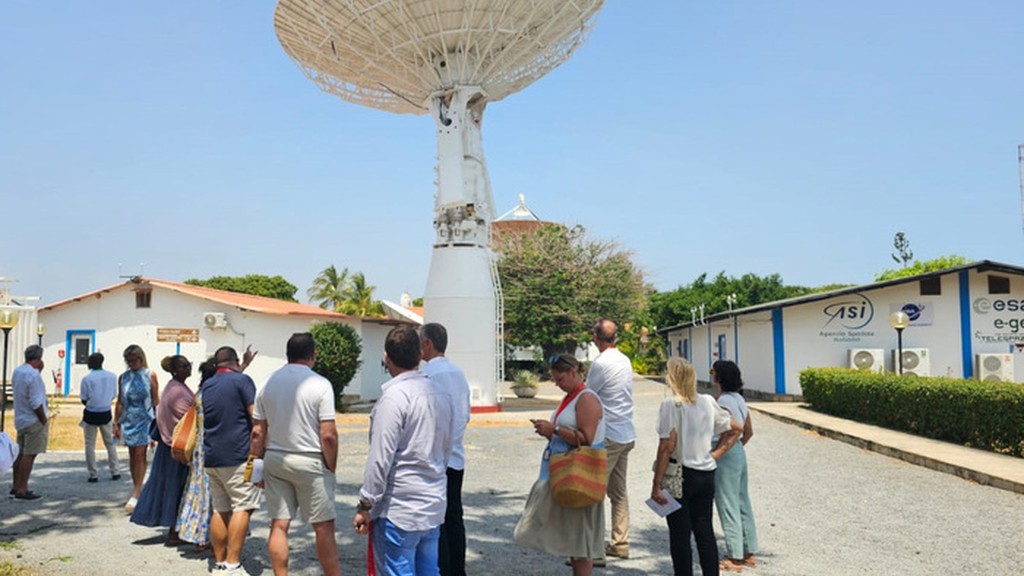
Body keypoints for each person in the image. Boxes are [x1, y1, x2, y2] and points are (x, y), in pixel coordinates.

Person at [353, 325, 454, 576]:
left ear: (386, 358)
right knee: (429, 571)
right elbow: (446, 449)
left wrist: (366, 504)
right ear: (420, 354)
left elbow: (380, 459)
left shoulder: (393, 399)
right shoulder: (442, 394)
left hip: (399, 510)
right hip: (432, 505)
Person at [250, 333, 340, 576]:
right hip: (310, 459)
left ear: (287, 355)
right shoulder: (321, 384)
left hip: (275, 458)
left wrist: (254, 468)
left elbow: (257, 432)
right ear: (314, 355)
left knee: (279, 524)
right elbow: (328, 434)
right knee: (323, 527)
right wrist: (331, 465)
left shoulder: (267, 383)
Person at [514, 354, 606, 576]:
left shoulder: (586, 398)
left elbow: (587, 438)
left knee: (580, 543)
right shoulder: (572, 397)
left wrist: (554, 429)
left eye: (560, 379)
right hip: (564, 473)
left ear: (573, 372)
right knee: (574, 542)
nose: (557, 384)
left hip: (579, 476)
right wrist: (550, 432)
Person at [651, 358, 741, 576]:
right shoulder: (707, 401)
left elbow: (666, 446)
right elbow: (735, 428)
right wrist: (716, 454)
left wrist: (657, 483)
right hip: (706, 472)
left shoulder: (671, 404)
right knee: (705, 531)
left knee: (680, 535)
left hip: (681, 474)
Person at [419, 323, 471, 576]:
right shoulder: (459, 374)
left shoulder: (427, 375)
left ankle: (443, 570)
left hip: (435, 459)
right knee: (454, 518)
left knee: (436, 522)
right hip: (456, 456)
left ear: (427, 344)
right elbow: (465, 414)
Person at [202, 346, 260, 573]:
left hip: (212, 456)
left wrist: (243, 365)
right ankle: (233, 563)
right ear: (235, 361)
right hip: (238, 454)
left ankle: (220, 562)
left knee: (220, 508)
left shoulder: (208, 385)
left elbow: (229, 382)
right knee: (243, 506)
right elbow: (254, 415)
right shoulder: (243, 381)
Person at [130, 355, 195, 545]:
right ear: (174, 370)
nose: (188, 368)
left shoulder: (176, 387)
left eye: (189, 364)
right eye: (184, 365)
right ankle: (174, 531)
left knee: (170, 486)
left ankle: (175, 529)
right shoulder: (177, 391)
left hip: (170, 447)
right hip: (175, 448)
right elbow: (187, 419)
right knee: (176, 488)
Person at [585, 319, 636, 560]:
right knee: (618, 491)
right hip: (625, 432)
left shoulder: (601, 363)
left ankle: (593, 551)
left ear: (596, 337)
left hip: (608, 434)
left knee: (593, 491)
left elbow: (588, 395)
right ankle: (620, 542)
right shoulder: (624, 360)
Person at [711, 361, 758, 572]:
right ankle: (749, 551)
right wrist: (736, 448)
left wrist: (718, 453)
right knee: (742, 501)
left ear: (719, 377)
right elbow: (748, 431)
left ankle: (734, 556)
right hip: (738, 451)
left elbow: (731, 430)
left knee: (727, 503)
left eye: (713, 371)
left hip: (725, 452)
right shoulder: (739, 399)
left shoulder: (722, 401)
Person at [114, 344, 160, 513]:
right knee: (132, 455)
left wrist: (158, 422)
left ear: (141, 359)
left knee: (141, 454)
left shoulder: (149, 375)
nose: (132, 363)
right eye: (129, 361)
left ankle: (137, 492)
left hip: (145, 419)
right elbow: (120, 401)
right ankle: (137, 488)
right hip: (128, 419)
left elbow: (156, 400)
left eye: (134, 360)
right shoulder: (123, 377)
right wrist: (116, 422)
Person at [10, 345, 48, 501]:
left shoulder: (18, 371)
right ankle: (23, 488)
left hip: (21, 417)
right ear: (39, 359)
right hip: (33, 419)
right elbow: (35, 400)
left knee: (20, 453)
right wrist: (43, 418)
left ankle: (16, 485)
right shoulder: (34, 375)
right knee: (30, 454)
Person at [79, 352, 121, 483]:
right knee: (110, 443)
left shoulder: (87, 379)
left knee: (89, 444)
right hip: (106, 412)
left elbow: (84, 398)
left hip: (91, 413)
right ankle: (115, 471)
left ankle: (93, 474)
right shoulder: (112, 376)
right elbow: (113, 395)